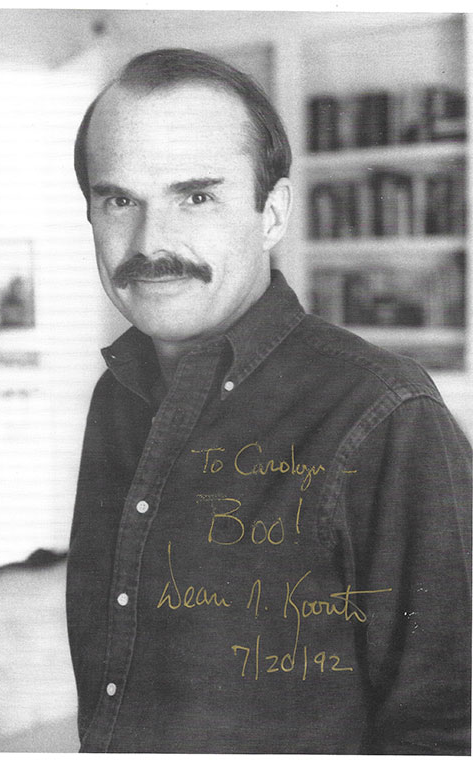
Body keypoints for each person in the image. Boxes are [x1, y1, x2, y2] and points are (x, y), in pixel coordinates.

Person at [66, 48, 471, 754]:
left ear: (273, 213)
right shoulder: (116, 396)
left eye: (196, 197)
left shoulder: (388, 414)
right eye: (120, 200)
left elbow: (450, 726)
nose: (151, 242)